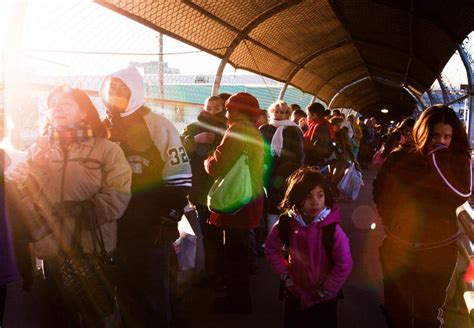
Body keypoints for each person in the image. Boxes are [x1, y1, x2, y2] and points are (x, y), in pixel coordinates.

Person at [9, 85, 132, 327]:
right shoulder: (37, 150)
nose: (57, 109)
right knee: (58, 314)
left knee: (99, 313)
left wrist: (89, 208)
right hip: (51, 248)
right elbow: (24, 197)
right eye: (53, 104)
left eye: (65, 104)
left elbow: (119, 193)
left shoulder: (106, 149)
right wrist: (34, 169)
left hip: (90, 250)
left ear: (84, 112)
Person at [100, 66, 192, 327]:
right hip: (112, 227)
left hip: (150, 226)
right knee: (123, 291)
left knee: (153, 290)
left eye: (121, 88)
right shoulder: (100, 126)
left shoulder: (158, 125)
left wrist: (170, 215)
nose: (114, 93)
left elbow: (180, 172)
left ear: (135, 91)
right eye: (110, 88)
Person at [373, 104, 472, 328]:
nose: (441, 141)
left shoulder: (457, 161)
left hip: (438, 250)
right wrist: (390, 223)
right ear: (422, 132)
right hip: (399, 248)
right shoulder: (400, 157)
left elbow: (460, 194)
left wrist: (440, 159)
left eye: (447, 136)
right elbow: (379, 190)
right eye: (435, 135)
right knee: (397, 312)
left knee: (428, 314)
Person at [265, 167, 352, 328]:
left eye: (320, 195)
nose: (315, 202)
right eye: (308, 196)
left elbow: (344, 264)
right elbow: (271, 249)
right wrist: (285, 276)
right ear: (297, 198)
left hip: (324, 299)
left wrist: (327, 289)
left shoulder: (332, 231)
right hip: (295, 294)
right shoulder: (286, 224)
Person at [204, 92, 265, 314]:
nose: (226, 112)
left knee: (234, 256)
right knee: (239, 254)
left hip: (236, 203)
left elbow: (217, 166)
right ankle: (239, 299)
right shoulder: (254, 131)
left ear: (239, 111)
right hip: (250, 197)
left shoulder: (237, 130)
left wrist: (207, 160)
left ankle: (237, 303)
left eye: (229, 108)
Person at [181, 95, 227, 286]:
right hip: (200, 187)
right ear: (204, 107)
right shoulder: (192, 128)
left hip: (221, 187)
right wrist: (195, 140)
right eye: (210, 107)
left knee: (219, 232)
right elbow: (178, 149)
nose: (213, 111)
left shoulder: (227, 128)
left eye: (217, 108)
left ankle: (219, 272)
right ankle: (211, 271)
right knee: (207, 232)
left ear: (223, 108)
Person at [259, 100, 304, 232]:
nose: (279, 114)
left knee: (286, 203)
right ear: (272, 112)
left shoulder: (293, 130)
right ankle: (271, 234)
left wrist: (291, 173)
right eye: (276, 111)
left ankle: (285, 234)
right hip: (268, 172)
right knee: (270, 204)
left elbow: (298, 155)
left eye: (283, 112)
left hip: (287, 174)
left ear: (288, 114)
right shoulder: (265, 128)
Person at [303, 103, 335, 168]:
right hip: (311, 161)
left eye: (307, 114)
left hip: (313, 163)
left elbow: (319, 150)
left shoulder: (320, 127)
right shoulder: (316, 125)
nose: (307, 117)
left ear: (314, 115)